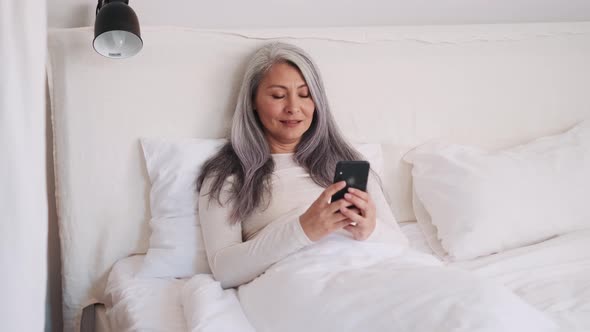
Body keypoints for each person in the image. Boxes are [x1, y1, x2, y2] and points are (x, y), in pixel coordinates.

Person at [196, 42, 407, 289]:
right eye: (278, 96)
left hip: (373, 272)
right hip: (304, 283)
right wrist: (302, 230)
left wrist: (371, 230)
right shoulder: (229, 175)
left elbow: (401, 247)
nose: (293, 108)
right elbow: (224, 270)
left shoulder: (348, 164)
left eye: (305, 95)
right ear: (252, 100)